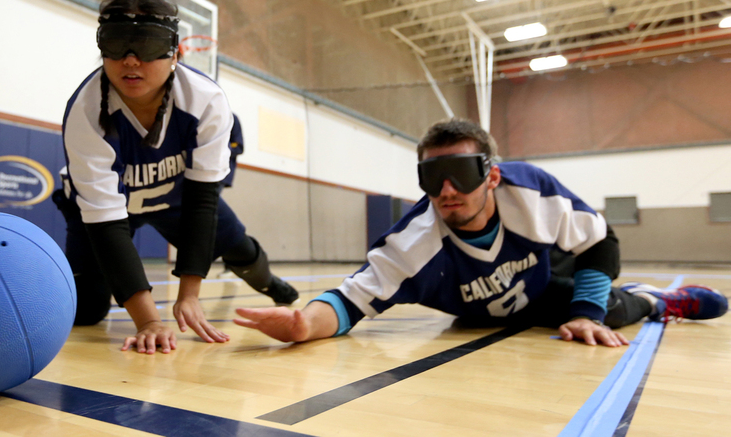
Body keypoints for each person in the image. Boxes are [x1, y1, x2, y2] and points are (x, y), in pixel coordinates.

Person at [234, 118, 728, 346]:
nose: (448, 191)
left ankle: (659, 301)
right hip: (481, 309)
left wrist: (586, 313)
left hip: (542, 265)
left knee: (602, 312)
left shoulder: (531, 193)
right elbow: (347, 302)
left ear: (492, 175)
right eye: (432, 178)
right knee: (521, 315)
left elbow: (599, 242)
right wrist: (303, 324)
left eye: (462, 175)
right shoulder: (412, 244)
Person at [54, 0, 298, 354]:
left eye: (149, 45)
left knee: (238, 247)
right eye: (117, 44)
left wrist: (189, 295)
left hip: (179, 199)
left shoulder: (207, 101)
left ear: (175, 54)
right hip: (105, 210)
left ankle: (272, 285)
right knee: (88, 310)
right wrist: (149, 322)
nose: (131, 60)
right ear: (102, 49)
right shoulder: (86, 111)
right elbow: (106, 224)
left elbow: (203, 200)